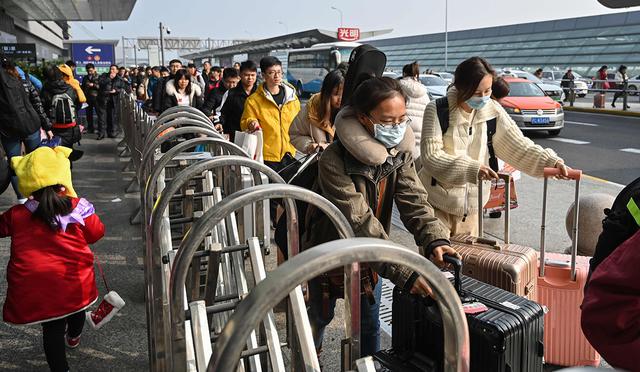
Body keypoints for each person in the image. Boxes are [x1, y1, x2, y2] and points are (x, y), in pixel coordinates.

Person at [305, 77, 456, 357]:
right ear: (363, 118)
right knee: (319, 317)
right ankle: (309, 359)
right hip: (328, 252)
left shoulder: (399, 154)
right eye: (388, 121)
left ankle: (369, 365)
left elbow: (414, 201)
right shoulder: (333, 160)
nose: (397, 127)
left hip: (371, 256)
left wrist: (435, 238)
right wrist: (404, 271)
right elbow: (357, 218)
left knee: (369, 324)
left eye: (402, 119)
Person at [419, 57, 570, 236]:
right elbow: (431, 156)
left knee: (468, 262)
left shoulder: (493, 111)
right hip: (436, 204)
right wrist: (472, 169)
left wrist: (550, 162)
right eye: (476, 92)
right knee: (437, 260)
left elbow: (519, 146)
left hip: (473, 209)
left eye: (488, 91)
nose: (483, 97)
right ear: (461, 88)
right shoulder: (436, 110)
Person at [0, 146, 105, 372]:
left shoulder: (17, 215)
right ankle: (74, 336)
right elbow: (96, 234)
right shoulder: (78, 207)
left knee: (52, 329)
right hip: (74, 279)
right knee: (77, 310)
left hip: (36, 285)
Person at [0, 58, 52, 202]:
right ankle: (42, 195)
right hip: (30, 124)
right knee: (36, 160)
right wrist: (47, 126)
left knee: (15, 165)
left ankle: (23, 200)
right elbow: (35, 102)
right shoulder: (19, 78)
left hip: (9, 130)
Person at [241, 56, 300, 172]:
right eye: (272, 73)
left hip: (291, 153)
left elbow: (300, 121)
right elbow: (245, 121)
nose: (277, 76)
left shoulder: (292, 97)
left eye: (279, 72)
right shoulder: (254, 100)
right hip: (267, 157)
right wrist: (251, 122)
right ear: (263, 75)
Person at [289, 69, 344, 154]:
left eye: (343, 94)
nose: (340, 99)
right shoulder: (312, 109)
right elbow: (294, 134)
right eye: (336, 94)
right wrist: (310, 145)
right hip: (320, 164)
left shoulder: (351, 111)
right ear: (327, 93)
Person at [41, 68, 82, 157]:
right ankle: (68, 169)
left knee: (55, 152)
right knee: (68, 151)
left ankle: (59, 169)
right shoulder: (69, 88)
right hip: (70, 127)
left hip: (53, 128)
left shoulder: (45, 90)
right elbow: (78, 105)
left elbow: (42, 109)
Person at [398, 61, 430, 163]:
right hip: (421, 129)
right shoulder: (424, 92)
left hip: (404, 128)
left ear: (404, 74)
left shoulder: (397, 88)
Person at [220, 60, 258, 141]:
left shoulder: (260, 93)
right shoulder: (231, 93)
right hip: (235, 136)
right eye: (246, 75)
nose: (250, 78)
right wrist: (220, 124)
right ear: (240, 75)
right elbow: (223, 113)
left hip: (256, 135)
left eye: (252, 75)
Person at [97, 64, 129, 139]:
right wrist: (109, 78)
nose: (112, 70)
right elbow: (100, 83)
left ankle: (111, 132)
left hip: (113, 100)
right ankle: (101, 133)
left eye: (114, 69)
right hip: (103, 99)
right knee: (102, 117)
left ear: (117, 70)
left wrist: (116, 90)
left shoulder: (120, 79)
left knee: (112, 117)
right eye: (111, 69)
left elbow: (124, 89)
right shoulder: (104, 76)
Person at [81, 63, 100, 134]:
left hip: (97, 98)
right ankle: (90, 128)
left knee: (99, 114)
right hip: (88, 98)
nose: (90, 72)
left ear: (94, 69)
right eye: (88, 71)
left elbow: (101, 87)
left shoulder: (99, 77)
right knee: (88, 114)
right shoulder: (85, 78)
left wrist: (94, 85)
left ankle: (100, 129)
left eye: (91, 71)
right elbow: (82, 88)